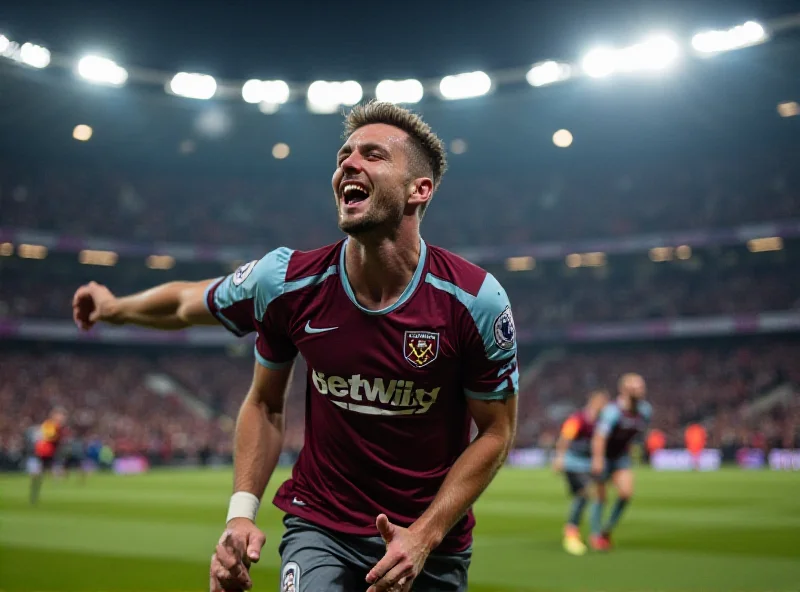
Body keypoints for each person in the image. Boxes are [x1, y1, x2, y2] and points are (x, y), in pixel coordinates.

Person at [72, 101, 519, 592]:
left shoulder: (474, 300)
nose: (348, 163)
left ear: (420, 189)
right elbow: (197, 320)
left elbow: (496, 431)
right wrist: (115, 309)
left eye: (373, 155)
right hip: (321, 525)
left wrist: (424, 536)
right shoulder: (287, 281)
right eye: (344, 154)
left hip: (429, 542)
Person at [589, 373, 652, 551]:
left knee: (626, 493)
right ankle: (595, 535)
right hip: (604, 456)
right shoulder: (613, 411)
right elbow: (599, 437)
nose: (642, 390)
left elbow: (639, 432)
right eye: (637, 387)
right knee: (600, 496)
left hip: (621, 457)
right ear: (625, 389)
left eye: (642, 386)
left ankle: (606, 530)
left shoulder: (645, 410)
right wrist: (598, 459)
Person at [552, 389, 609, 555]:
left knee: (592, 496)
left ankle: (592, 533)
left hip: (588, 464)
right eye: (600, 402)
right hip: (573, 462)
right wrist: (559, 457)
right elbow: (565, 438)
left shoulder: (603, 421)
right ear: (592, 401)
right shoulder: (578, 418)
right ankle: (571, 531)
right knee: (585, 493)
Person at [30, 407, 67, 504]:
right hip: (46, 451)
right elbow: (49, 437)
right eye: (60, 416)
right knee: (42, 470)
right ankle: (35, 490)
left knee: (47, 470)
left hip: (50, 451)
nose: (62, 418)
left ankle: (37, 489)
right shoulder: (49, 425)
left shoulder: (56, 426)